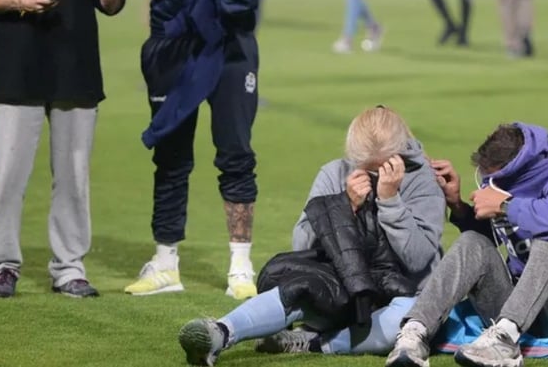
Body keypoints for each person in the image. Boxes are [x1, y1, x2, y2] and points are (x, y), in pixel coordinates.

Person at [177, 106, 446, 366]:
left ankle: (314, 343)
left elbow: (418, 259)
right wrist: (344, 206)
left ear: (399, 155)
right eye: (368, 168)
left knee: (404, 323)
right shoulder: (334, 173)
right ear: (353, 157)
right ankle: (220, 332)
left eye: (383, 167)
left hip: (403, 293)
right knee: (301, 287)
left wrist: (390, 201)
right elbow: (302, 246)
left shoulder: (423, 180)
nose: (376, 176)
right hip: (346, 288)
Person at [385, 123, 548, 367]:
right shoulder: (503, 185)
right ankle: (415, 334)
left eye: (493, 176)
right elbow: (492, 242)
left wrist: (505, 205)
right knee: (472, 241)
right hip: (523, 307)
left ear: (515, 170)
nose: (487, 181)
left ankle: (504, 341)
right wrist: (457, 205)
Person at [0, 0, 125, 299]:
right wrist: (20, 1)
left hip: (77, 72)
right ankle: (1, 266)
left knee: (73, 178)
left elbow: (111, 4)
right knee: (7, 175)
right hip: (17, 72)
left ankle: (69, 269)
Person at [122, 0, 280, 299]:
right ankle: (165, 264)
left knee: (236, 152)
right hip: (172, 43)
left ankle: (241, 268)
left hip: (232, 42)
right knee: (170, 156)